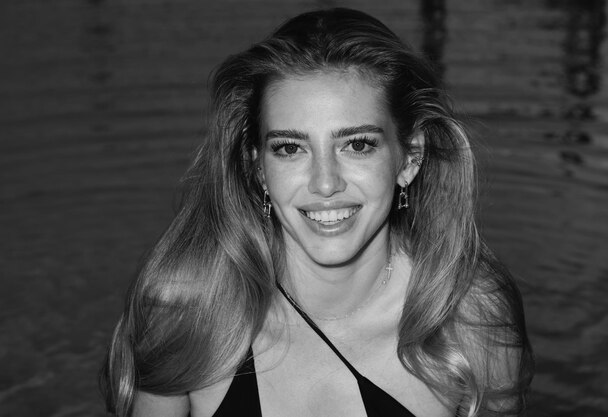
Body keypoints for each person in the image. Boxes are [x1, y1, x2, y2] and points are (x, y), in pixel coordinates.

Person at [101, 8, 534, 417]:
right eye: (290, 148)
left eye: (358, 145)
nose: (325, 183)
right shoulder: (186, 305)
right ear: (258, 168)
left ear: (410, 158)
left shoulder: (470, 316)